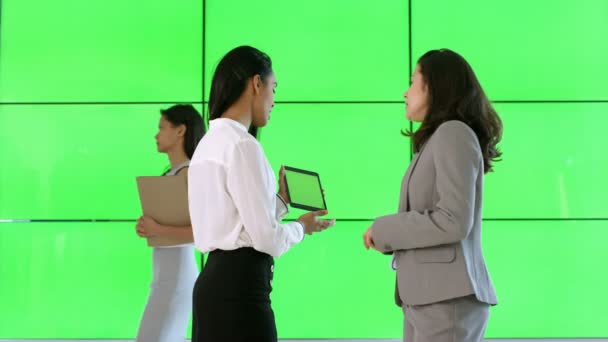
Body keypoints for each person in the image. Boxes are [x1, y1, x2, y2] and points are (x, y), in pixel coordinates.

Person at [187, 45, 335, 342]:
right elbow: (267, 239)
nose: (274, 101)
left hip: (212, 288)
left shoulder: (209, 142)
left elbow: (237, 220)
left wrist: (280, 202)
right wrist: (301, 227)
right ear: (256, 83)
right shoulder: (243, 146)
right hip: (242, 293)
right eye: (274, 88)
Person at [363, 49, 502, 342]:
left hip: (445, 301)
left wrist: (384, 229)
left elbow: (453, 220)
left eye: (413, 81)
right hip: (430, 299)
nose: (405, 92)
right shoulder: (440, 138)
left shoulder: (453, 133)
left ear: (436, 86)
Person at [134, 104, 205, 342]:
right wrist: (148, 228)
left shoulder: (188, 173)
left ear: (180, 131)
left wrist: (158, 229)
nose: (156, 134)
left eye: (161, 127)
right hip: (165, 277)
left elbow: (201, 232)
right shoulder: (172, 172)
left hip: (177, 279)